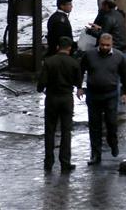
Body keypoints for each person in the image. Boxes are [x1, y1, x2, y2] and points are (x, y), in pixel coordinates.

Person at [79, 33, 126, 164]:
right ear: (98, 44)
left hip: (111, 94)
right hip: (93, 94)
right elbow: (81, 70)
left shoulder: (119, 56)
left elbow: (124, 75)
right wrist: (79, 87)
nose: (105, 47)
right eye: (102, 45)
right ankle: (95, 154)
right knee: (94, 125)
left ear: (112, 45)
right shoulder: (89, 55)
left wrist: (124, 92)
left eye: (108, 45)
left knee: (111, 122)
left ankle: (113, 142)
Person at [37, 36, 82, 172]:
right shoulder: (74, 63)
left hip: (51, 98)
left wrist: (42, 88)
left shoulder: (49, 62)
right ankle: (65, 162)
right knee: (66, 131)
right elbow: (78, 82)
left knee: (49, 130)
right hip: (67, 98)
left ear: (57, 47)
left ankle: (48, 162)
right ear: (69, 48)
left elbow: (41, 84)